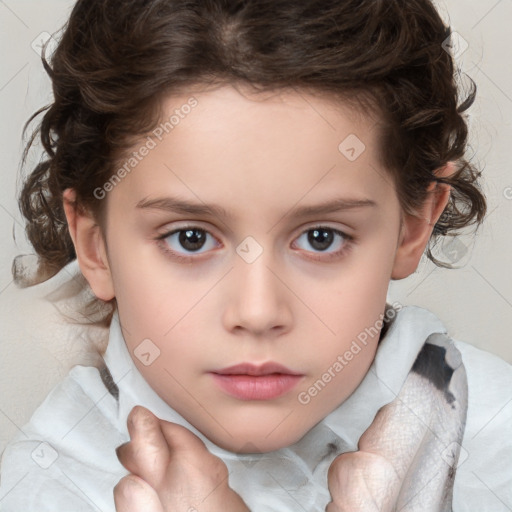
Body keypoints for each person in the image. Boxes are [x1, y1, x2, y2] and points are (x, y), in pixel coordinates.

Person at [0, 0, 511, 510]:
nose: (258, 312)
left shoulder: (495, 439)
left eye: (321, 238)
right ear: (95, 247)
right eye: (191, 239)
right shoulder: (40, 490)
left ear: (412, 227)